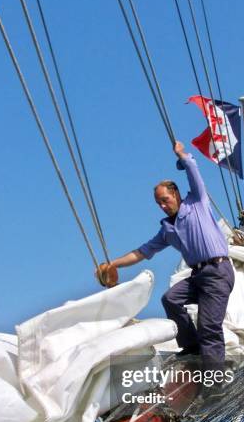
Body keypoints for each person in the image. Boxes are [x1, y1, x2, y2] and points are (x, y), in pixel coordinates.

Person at [97, 140, 234, 367]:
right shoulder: (167, 230)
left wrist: (182, 155)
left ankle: (215, 381)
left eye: (165, 200)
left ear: (176, 194)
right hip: (198, 276)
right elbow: (141, 252)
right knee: (170, 299)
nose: (162, 205)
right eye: (158, 203)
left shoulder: (196, 202)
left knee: (209, 327)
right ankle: (191, 345)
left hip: (217, 271)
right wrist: (113, 264)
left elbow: (193, 172)